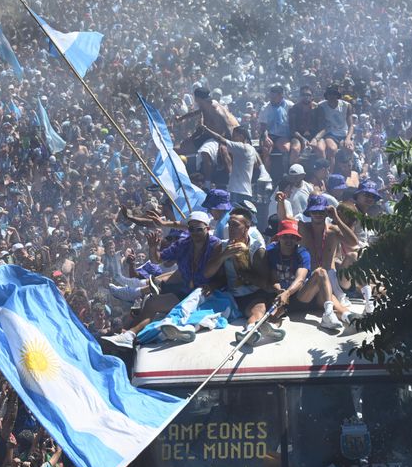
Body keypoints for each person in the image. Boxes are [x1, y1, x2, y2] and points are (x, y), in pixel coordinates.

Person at [102, 211, 220, 349]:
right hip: (186, 290)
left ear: (208, 229)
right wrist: (153, 248)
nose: (194, 233)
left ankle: (136, 299)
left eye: (199, 229)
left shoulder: (215, 245)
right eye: (191, 229)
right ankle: (129, 335)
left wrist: (213, 285)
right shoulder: (184, 244)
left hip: (204, 293)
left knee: (162, 290)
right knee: (152, 303)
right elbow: (156, 259)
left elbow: (221, 273)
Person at [202, 207, 284, 344]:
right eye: (229, 224)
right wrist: (223, 256)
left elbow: (264, 283)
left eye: (235, 225)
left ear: (246, 228)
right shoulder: (221, 247)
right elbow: (207, 273)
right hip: (229, 295)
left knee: (259, 308)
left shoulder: (257, 250)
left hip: (252, 296)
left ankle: (250, 329)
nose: (230, 228)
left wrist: (245, 273)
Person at [258, 85, 294, 174]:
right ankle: (267, 175)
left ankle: (286, 173)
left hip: (283, 136)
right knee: (266, 150)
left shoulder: (289, 105)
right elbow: (263, 127)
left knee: (286, 148)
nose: (272, 99)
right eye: (271, 96)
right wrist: (266, 137)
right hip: (269, 134)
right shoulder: (265, 108)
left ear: (281, 96)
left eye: (274, 97)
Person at [314, 84, 355, 163]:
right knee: (332, 149)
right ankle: (329, 172)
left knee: (350, 149)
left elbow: (351, 126)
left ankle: (349, 171)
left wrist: (348, 138)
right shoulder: (321, 106)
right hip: (330, 133)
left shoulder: (346, 106)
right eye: (329, 94)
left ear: (337, 95)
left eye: (334, 94)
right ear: (327, 95)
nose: (332, 96)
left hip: (344, 133)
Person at [288, 85, 325, 165]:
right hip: (298, 136)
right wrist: (302, 139)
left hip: (315, 136)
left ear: (312, 96)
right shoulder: (293, 110)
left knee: (320, 149)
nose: (306, 97)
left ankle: (323, 172)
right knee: (295, 149)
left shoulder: (319, 109)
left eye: (308, 95)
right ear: (300, 96)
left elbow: (324, 129)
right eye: (303, 95)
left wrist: (315, 139)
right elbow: (292, 130)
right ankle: (292, 173)